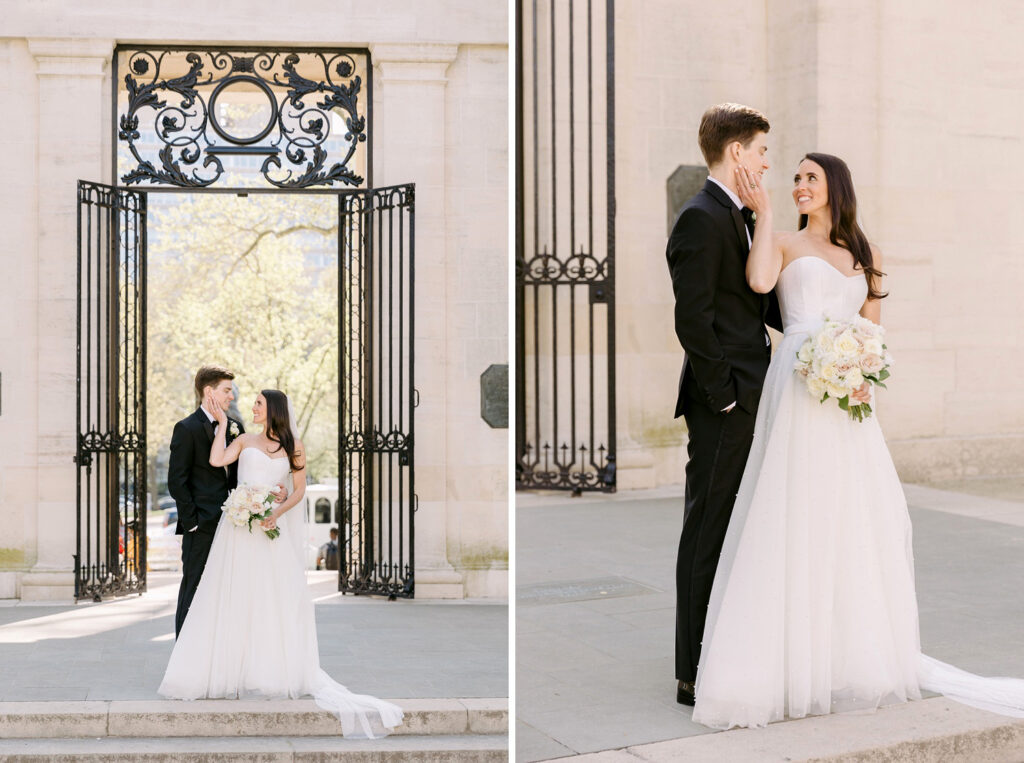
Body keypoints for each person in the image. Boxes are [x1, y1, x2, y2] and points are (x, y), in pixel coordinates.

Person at [690, 152, 1024, 729]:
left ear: (834, 188)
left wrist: (859, 363)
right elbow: (759, 280)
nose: (798, 185)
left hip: (845, 400)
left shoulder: (863, 255)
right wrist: (765, 213)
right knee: (791, 512)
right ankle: (782, 659)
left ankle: (843, 653)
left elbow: (871, 328)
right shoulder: (787, 244)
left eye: (809, 178)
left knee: (849, 517)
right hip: (797, 385)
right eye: (794, 178)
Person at [159, 388, 403, 738]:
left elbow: (299, 489)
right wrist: (222, 425)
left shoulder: (295, 447)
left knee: (270, 600)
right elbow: (216, 461)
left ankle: (266, 668)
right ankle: (229, 667)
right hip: (238, 532)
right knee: (232, 596)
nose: (252, 407)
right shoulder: (241, 438)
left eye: (258, 403)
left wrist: (276, 512)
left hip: (269, 532)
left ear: (272, 409)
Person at [665, 103, 782, 706]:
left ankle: (723, 649)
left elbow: (763, 304)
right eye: (762, 150)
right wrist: (726, 401)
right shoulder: (699, 218)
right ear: (736, 152)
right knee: (707, 527)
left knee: (735, 524)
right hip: (725, 402)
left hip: (755, 391)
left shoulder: (738, 215)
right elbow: (694, 321)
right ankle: (691, 669)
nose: (767, 161)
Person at [167, 366, 250, 638]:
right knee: (194, 586)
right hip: (200, 526)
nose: (231, 397)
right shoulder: (186, 428)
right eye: (227, 390)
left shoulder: (235, 427)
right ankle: (184, 652)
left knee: (226, 589)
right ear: (208, 391)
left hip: (232, 523)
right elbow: (177, 481)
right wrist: (191, 523)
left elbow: (239, 476)